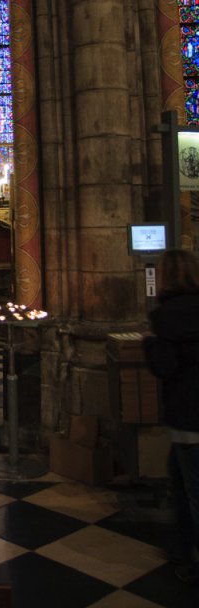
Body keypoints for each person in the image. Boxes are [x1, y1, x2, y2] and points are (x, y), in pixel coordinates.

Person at [143, 249, 199, 585]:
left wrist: (150, 344)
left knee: (192, 488)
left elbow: (164, 366)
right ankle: (182, 547)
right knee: (180, 477)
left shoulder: (166, 315)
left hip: (188, 415)